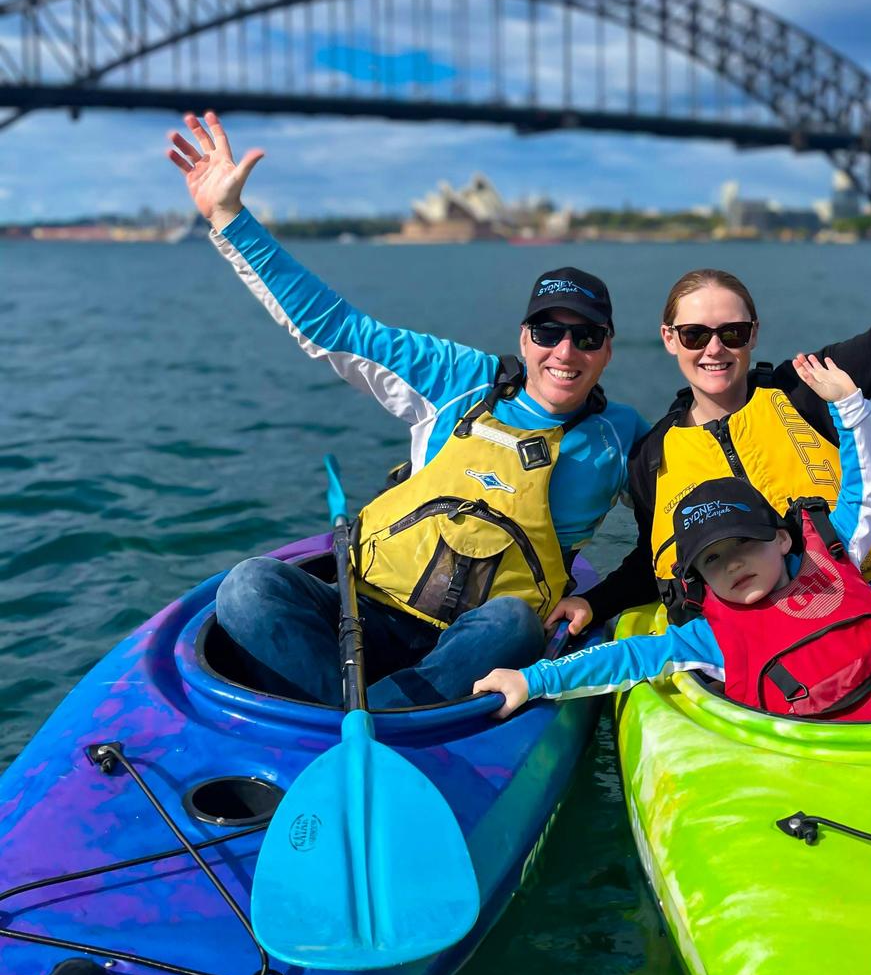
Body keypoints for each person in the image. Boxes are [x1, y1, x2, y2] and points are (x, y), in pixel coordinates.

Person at [545, 101, 871, 715]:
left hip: (855, 614)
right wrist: (596, 602)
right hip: (738, 656)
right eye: (694, 335)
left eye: (732, 332)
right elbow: (652, 560)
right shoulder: (653, 455)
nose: (714, 349)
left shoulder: (809, 389)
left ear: (754, 332)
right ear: (669, 338)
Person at [165, 110, 648, 707]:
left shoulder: (620, 437)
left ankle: (360, 719)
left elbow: (680, 524)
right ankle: (372, 716)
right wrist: (228, 218)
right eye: (548, 332)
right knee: (247, 587)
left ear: (607, 351)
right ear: (524, 339)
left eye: (587, 337)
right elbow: (335, 327)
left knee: (514, 623)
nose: (564, 351)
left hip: (477, 642)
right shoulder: (459, 380)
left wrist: (600, 603)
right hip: (362, 613)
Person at [474, 356, 871, 719]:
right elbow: (626, 657)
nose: (734, 564)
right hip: (818, 749)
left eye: (744, 544)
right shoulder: (711, 636)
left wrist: (848, 406)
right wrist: (530, 680)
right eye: (714, 559)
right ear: (698, 576)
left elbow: (864, 489)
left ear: (783, 539)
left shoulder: (835, 558)